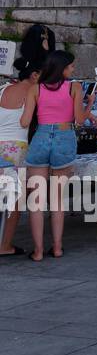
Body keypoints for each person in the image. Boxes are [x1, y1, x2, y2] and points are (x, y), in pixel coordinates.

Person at [21, 51, 97, 260]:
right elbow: (80, 120)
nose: (73, 70)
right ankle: (56, 248)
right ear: (63, 68)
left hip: (41, 138)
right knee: (57, 200)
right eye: (71, 66)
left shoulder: (35, 89)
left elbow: (24, 122)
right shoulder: (75, 88)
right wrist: (90, 103)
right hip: (64, 138)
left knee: (36, 200)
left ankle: (37, 251)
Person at [0, 58, 38, 258]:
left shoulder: (3, 89)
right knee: (15, 199)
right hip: (17, 149)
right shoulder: (32, 92)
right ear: (34, 75)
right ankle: (4, 244)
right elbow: (25, 122)